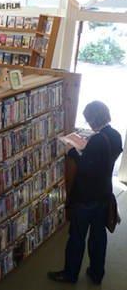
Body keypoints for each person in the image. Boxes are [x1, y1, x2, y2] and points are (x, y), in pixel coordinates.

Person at [48, 101, 123, 284]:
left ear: (93, 119)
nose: (88, 123)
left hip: (86, 197)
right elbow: (105, 160)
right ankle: (97, 273)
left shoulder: (97, 140)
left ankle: (70, 274)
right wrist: (88, 150)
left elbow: (85, 168)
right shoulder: (115, 135)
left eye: (88, 119)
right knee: (98, 238)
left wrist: (72, 151)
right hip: (104, 194)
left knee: (77, 238)